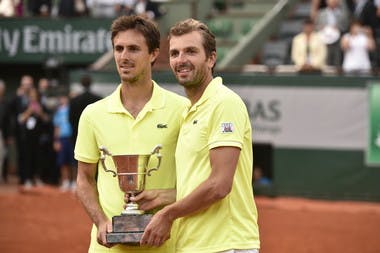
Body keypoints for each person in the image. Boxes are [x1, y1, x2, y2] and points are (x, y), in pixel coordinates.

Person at [134, 18, 260, 252]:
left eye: (190, 51)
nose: (181, 60)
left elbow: (219, 185)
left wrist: (168, 214)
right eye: (174, 53)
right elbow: (200, 181)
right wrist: (164, 196)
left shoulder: (224, 102)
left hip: (224, 244)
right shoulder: (189, 110)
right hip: (197, 244)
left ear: (211, 58)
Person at [74, 15, 188, 253]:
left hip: (166, 247)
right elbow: (84, 179)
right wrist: (102, 222)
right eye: (119, 48)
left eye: (134, 49)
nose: (124, 57)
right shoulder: (93, 114)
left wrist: (167, 197)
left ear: (154, 54)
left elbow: (200, 178)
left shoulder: (182, 110)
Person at [69, 74, 101, 147]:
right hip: (94, 134)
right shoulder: (98, 99)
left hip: (78, 134)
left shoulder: (74, 100)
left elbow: (71, 119)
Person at [53, 93, 75, 192]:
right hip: (62, 139)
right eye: (61, 98)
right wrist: (56, 140)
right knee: (63, 161)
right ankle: (65, 181)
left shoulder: (72, 109)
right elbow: (57, 127)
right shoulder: (58, 111)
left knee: (73, 161)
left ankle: (74, 182)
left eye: (64, 98)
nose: (63, 100)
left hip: (72, 138)